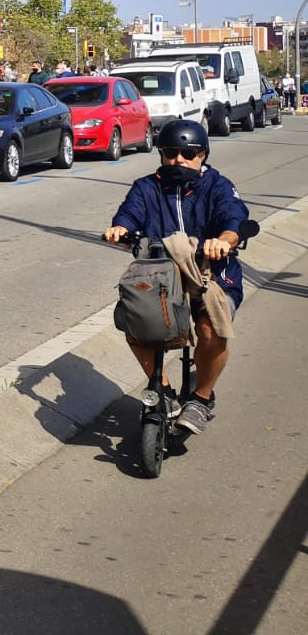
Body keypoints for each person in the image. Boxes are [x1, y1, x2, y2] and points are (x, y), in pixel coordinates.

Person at [103, 119, 247, 436]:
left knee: (212, 329)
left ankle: (201, 398)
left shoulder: (218, 186)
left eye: (188, 152)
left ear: (203, 155)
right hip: (160, 279)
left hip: (214, 276)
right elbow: (129, 212)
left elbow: (234, 218)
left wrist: (224, 240)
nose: (179, 159)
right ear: (162, 154)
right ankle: (164, 393)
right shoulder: (146, 187)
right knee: (131, 320)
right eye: (171, 152)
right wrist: (121, 228)